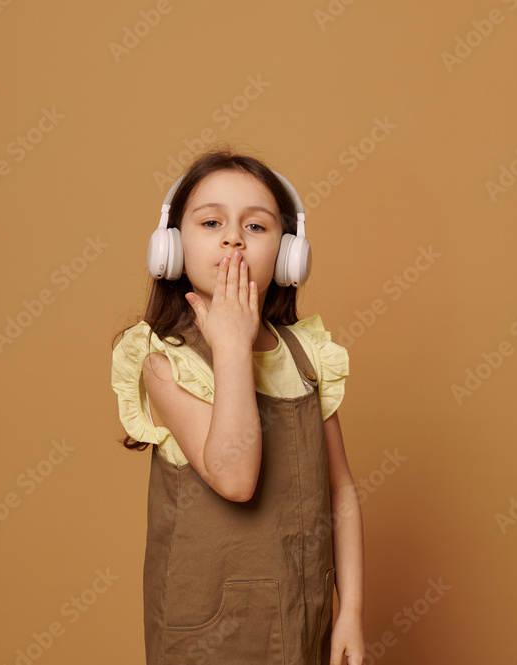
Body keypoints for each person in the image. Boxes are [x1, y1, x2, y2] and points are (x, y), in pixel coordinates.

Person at [111, 148, 365, 664]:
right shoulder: (162, 358)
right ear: (172, 249)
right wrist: (230, 345)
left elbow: (340, 490)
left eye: (256, 226)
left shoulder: (307, 354)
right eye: (211, 222)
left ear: (289, 254)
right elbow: (235, 476)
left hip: (301, 615)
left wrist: (351, 611)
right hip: (205, 632)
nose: (233, 238)